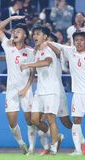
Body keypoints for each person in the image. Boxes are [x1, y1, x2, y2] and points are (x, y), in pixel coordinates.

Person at [0, 16, 36, 154]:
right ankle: (21, 144)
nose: (15, 33)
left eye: (19, 31)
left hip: (26, 90)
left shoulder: (30, 52)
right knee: (12, 122)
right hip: (11, 90)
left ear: (25, 35)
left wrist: (26, 88)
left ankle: (31, 148)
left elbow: (33, 73)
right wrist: (11, 17)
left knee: (30, 119)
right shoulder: (7, 46)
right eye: (14, 31)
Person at [20, 25, 61, 155]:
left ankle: (54, 147)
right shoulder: (36, 51)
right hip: (40, 91)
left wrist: (28, 64)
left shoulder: (49, 50)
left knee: (51, 119)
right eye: (34, 34)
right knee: (34, 120)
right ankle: (55, 136)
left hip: (51, 90)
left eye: (38, 34)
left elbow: (46, 62)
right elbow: (35, 70)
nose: (35, 36)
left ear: (45, 37)